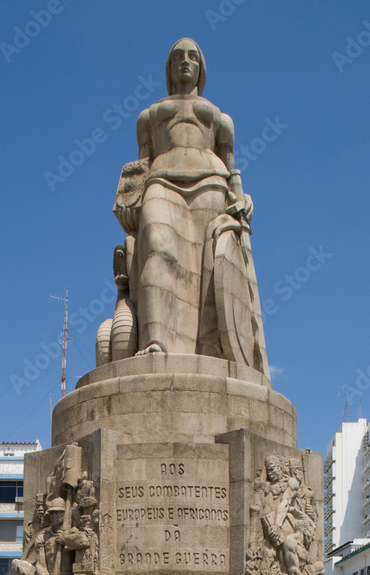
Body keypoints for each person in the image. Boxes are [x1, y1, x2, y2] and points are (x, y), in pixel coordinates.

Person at [114, 38, 268, 373]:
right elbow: (140, 168)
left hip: (210, 186)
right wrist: (128, 199)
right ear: (168, 69)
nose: (185, 61)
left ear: (201, 68)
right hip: (162, 182)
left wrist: (241, 197)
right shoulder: (150, 117)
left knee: (210, 269)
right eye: (177, 57)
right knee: (156, 247)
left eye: (193, 57)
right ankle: (155, 340)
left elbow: (231, 166)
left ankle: (211, 351)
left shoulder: (218, 117)